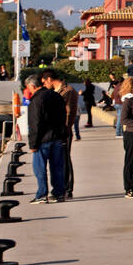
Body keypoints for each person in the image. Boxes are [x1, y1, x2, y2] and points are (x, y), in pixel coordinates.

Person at [25, 74, 68, 204]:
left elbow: (35, 123)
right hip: (57, 138)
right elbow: (63, 117)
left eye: (28, 88)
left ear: (32, 86)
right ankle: (59, 193)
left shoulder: (36, 100)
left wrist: (33, 143)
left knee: (40, 168)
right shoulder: (56, 96)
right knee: (57, 167)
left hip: (43, 140)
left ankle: (42, 194)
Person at [44, 71, 79, 199]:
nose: (44, 85)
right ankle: (63, 188)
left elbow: (68, 112)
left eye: (45, 82)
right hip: (58, 130)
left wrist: (64, 129)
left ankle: (66, 189)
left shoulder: (67, 91)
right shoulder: (58, 91)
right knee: (60, 159)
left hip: (63, 130)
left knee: (64, 159)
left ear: (49, 79)